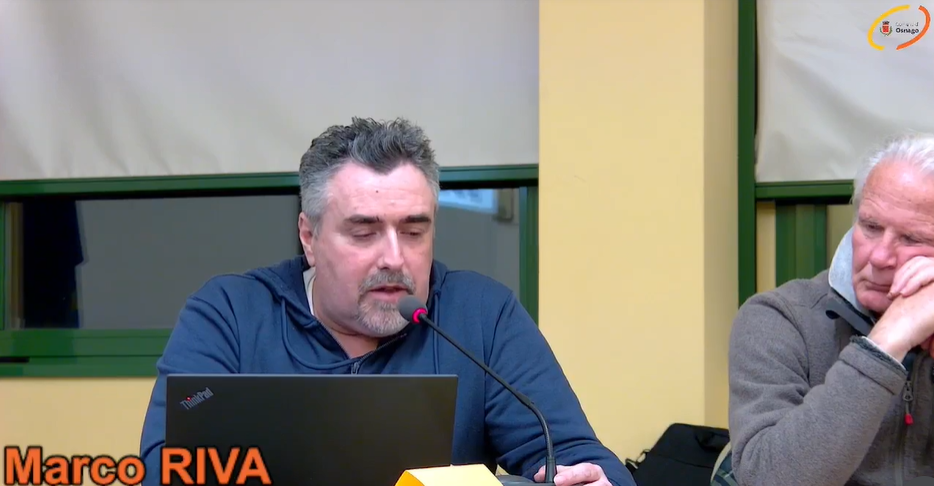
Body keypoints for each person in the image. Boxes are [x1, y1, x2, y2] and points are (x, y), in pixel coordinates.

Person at [139, 117, 633, 486]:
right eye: (364, 232)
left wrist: (593, 480)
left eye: (414, 232)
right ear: (309, 237)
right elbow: (166, 467)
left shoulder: (482, 315)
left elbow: (577, 454)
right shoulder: (230, 314)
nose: (394, 258)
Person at [727, 132, 934, 486]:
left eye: (912, 239)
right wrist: (884, 344)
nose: (879, 257)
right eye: (871, 227)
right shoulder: (778, 318)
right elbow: (769, 479)